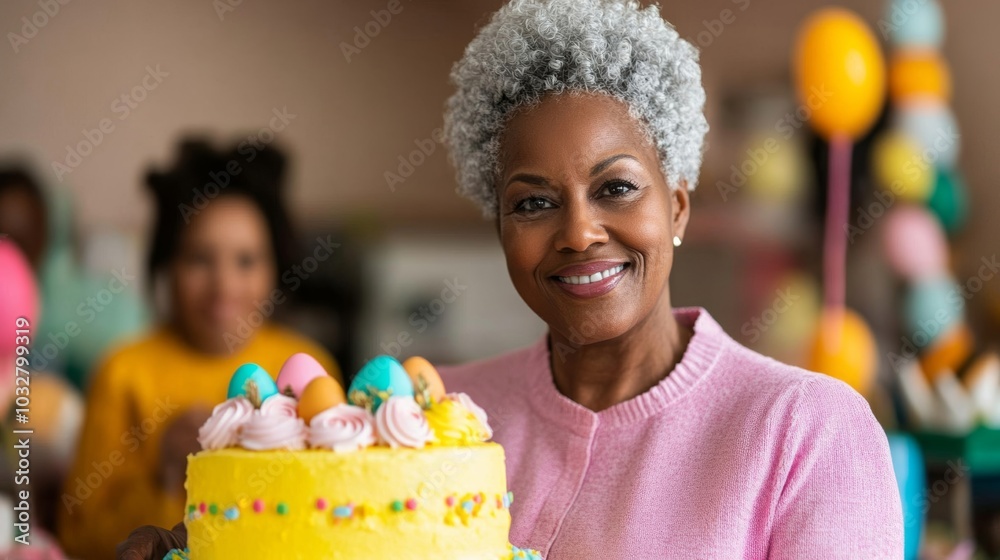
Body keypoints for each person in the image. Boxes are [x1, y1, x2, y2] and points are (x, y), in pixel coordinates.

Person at [118, 1, 903, 558]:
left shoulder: (807, 432)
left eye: (617, 187)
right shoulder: (429, 422)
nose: (578, 231)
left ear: (679, 207)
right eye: (532, 201)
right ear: (499, 225)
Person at [59, 139, 341, 560]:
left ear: (275, 269)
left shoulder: (306, 367)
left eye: (246, 261)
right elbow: (78, 536)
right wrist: (165, 471)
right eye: (199, 259)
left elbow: (336, 508)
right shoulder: (123, 372)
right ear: (166, 266)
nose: (224, 286)